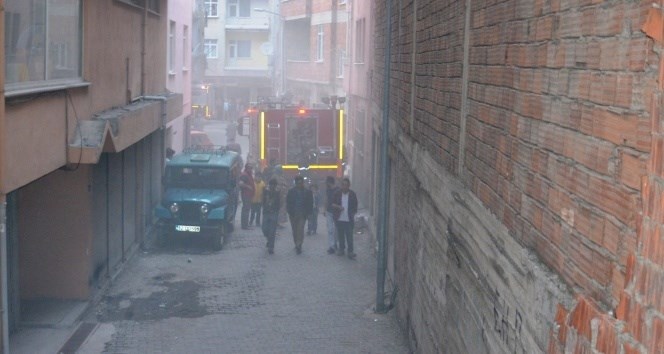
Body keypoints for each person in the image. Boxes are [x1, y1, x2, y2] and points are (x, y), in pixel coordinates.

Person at [331, 178, 358, 259]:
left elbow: (355, 205)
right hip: (339, 218)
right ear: (341, 185)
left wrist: (353, 214)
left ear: (349, 186)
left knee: (349, 236)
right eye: (343, 185)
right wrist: (338, 207)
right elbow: (332, 204)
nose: (344, 187)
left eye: (346, 185)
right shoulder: (337, 194)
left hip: (349, 219)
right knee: (341, 235)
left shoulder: (352, 194)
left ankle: (350, 251)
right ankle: (341, 249)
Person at [286, 175, 313, 254]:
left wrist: (309, 213)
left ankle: (299, 244)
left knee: (300, 229)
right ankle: (296, 243)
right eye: (298, 183)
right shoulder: (291, 191)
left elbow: (310, 203)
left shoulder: (308, 192)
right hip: (293, 214)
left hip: (302, 214)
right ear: (295, 183)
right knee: (294, 230)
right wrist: (289, 211)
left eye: (301, 183)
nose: (299, 184)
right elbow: (288, 202)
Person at [262, 178, 281, 254]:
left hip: (274, 212)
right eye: (271, 185)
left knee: (272, 231)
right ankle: (269, 240)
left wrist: (276, 210)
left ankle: (271, 247)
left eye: (273, 185)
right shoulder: (265, 191)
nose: (272, 186)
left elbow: (279, 202)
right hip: (266, 212)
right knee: (264, 228)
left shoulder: (278, 193)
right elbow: (263, 200)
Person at [324, 176, 339, 254]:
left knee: (336, 229)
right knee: (330, 229)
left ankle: (335, 243)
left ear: (329, 182)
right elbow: (326, 199)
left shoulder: (338, 190)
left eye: (326, 182)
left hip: (336, 212)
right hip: (329, 212)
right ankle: (332, 246)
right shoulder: (328, 190)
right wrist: (324, 209)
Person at [238, 163, 255, 229]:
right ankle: (245, 225)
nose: (251, 169)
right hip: (246, 195)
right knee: (246, 210)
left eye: (251, 168)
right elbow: (240, 183)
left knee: (246, 209)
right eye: (249, 168)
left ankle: (245, 224)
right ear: (246, 168)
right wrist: (248, 187)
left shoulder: (248, 174)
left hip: (248, 195)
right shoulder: (245, 175)